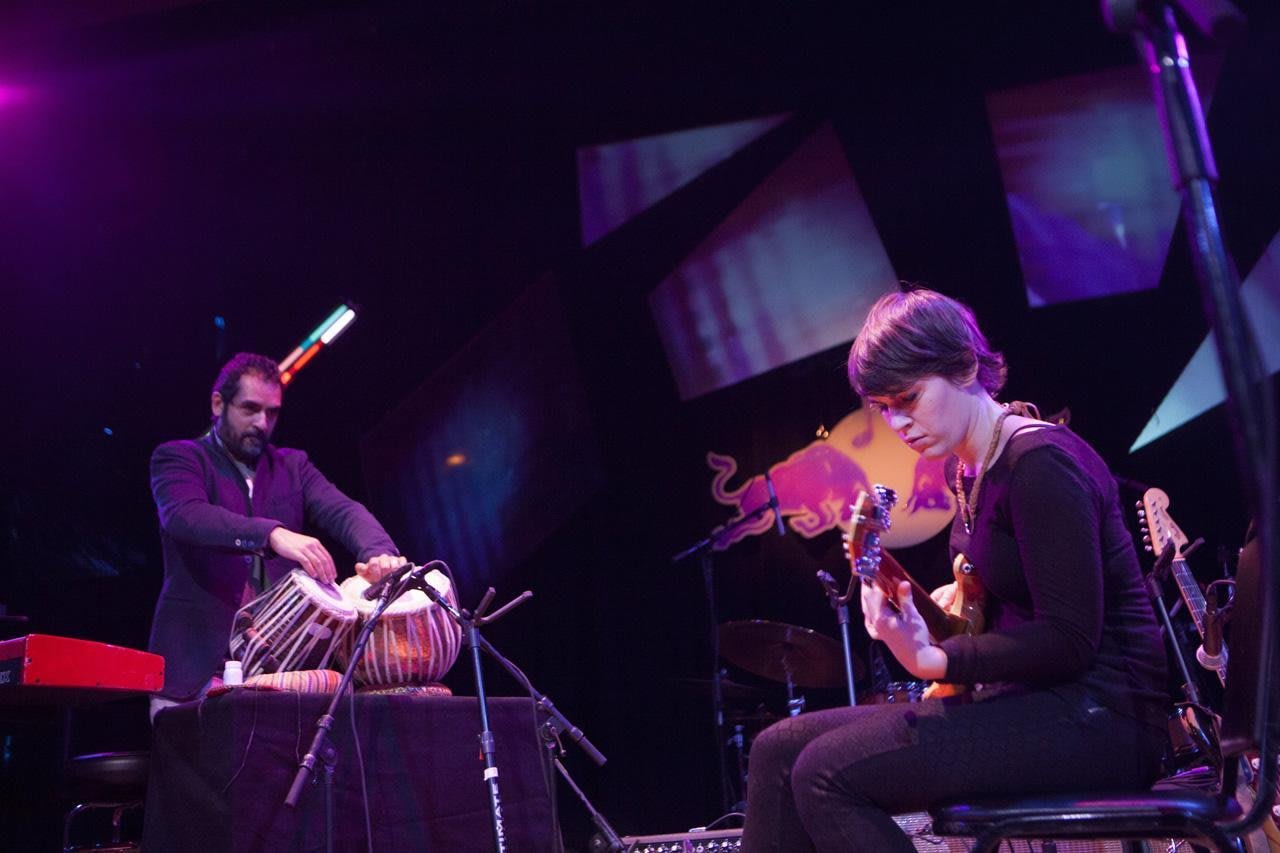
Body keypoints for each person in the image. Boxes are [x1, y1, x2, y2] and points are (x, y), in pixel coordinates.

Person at [740, 288, 1170, 851]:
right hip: (1036, 699)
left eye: (909, 398)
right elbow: (1008, 596)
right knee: (777, 748)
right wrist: (941, 605)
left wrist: (933, 658)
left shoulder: (1040, 465)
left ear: (965, 367)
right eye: (884, 407)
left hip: (1105, 717)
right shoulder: (964, 471)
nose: (898, 422)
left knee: (826, 773)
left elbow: (1069, 639)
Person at [147, 352, 406, 719]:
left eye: (272, 413)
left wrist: (379, 553)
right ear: (218, 404)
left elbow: (343, 510)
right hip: (194, 666)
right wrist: (272, 534)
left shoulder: (292, 465)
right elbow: (186, 516)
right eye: (250, 409)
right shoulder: (179, 457)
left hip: (277, 669)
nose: (261, 423)